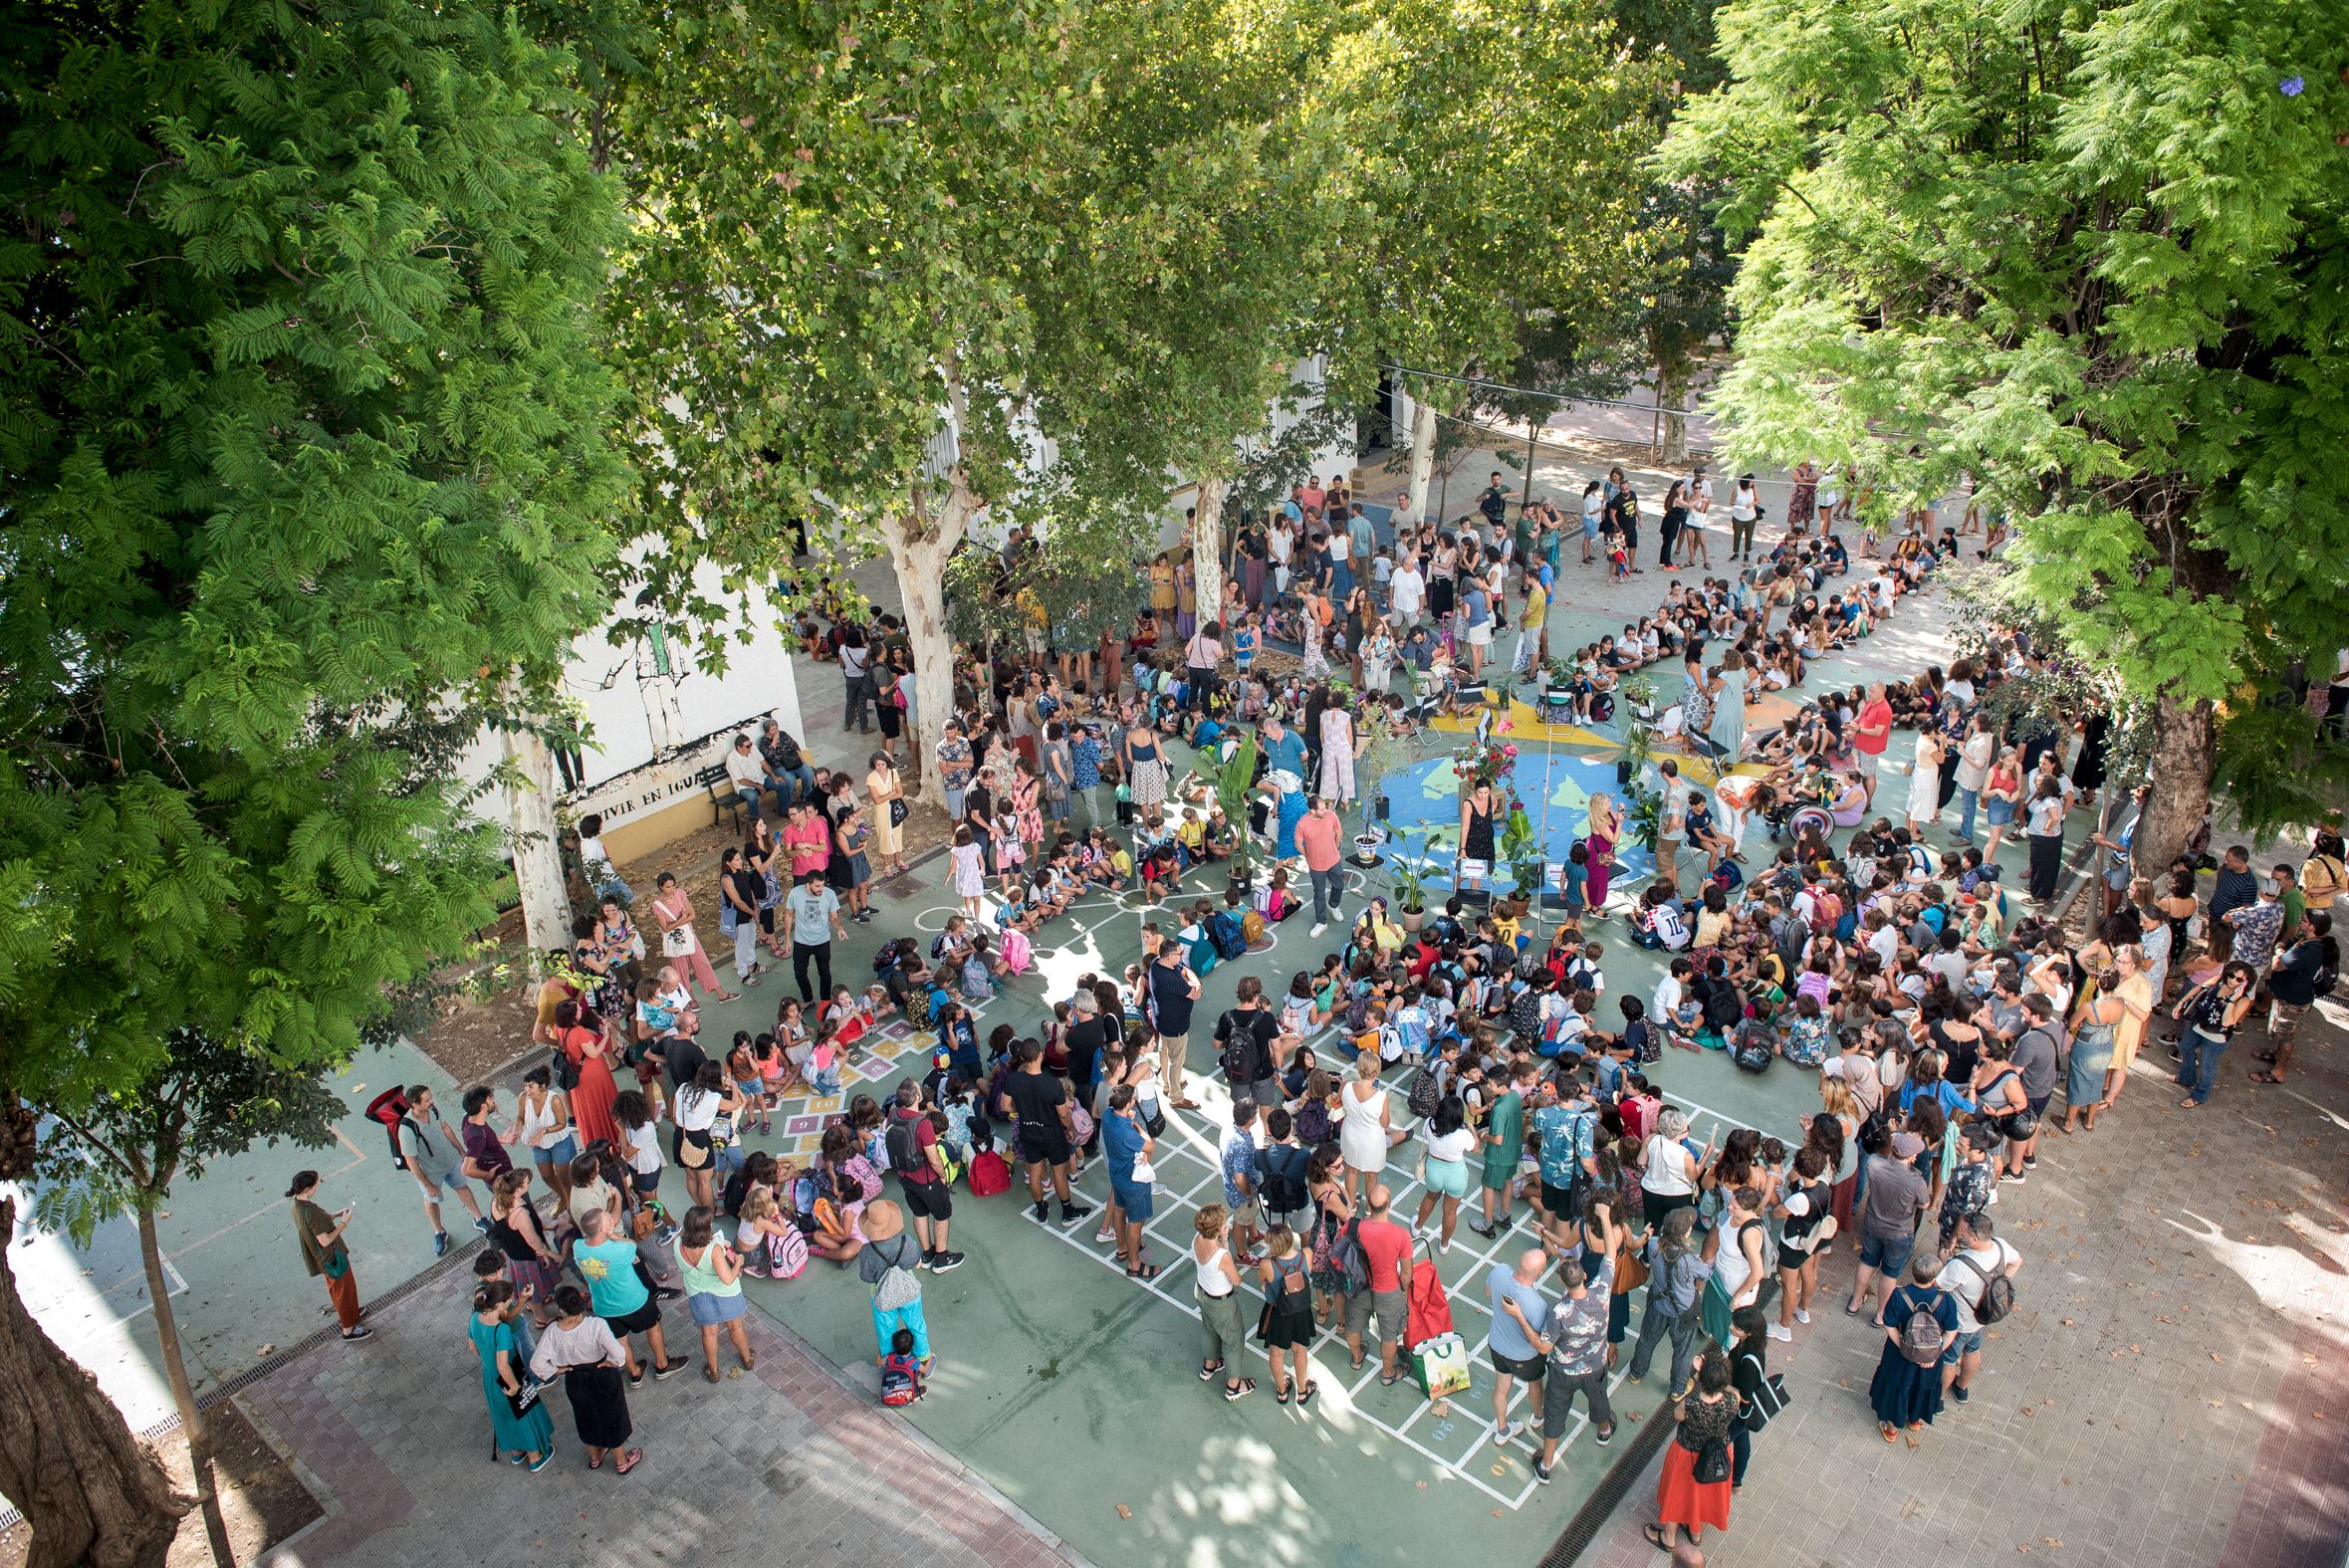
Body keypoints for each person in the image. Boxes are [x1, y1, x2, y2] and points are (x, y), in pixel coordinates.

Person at [529, 1284, 640, 1474]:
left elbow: (536, 1364)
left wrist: (557, 1370)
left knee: (585, 1417)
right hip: (603, 1377)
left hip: (576, 1379)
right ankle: (621, 1461)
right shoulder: (596, 1325)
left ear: (560, 1308)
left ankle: (595, 1457)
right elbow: (619, 1353)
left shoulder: (553, 1332)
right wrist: (612, 1362)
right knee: (613, 1416)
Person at [572, 1208, 685, 1382]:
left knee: (620, 1340)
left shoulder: (578, 1247)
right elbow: (633, 1244)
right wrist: (615, 1236)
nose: (611, 1218)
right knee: (653, 1325)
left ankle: (634, 1372)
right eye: (608, 1218)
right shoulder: (620, 1249)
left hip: (604, 1307)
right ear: (603, 1229)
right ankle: (662, 1365)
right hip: (634, 1301)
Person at [1534, 1251, 1616, 1481]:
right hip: (1595, 1367)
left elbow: (1544, 1347)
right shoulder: (1601, 1291)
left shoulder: (1558, 1311)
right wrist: (1606, 1225)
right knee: (1599, 1399)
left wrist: (1519, 1316)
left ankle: (1546, 1466)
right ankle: (1604, 1431)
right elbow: (1611, 1252)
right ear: (1585, 1276)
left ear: (1561, 1280)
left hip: (1563, 1372)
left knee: (1554, 1413)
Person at [1647, 1349, 1738, 1555]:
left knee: (1677, 1495)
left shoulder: (1691, 1405)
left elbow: (1677, 1415)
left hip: (1687, 1456)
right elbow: (1727, 1391)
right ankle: (1695, 1533)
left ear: (1702, 1379)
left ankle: (1668, 1538)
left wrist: (1699, 1375)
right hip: (1717, 1454)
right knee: (1703, 1495)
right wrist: (1709, 1374)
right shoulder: (1732, 1400)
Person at [1000, 1036, 1093, 1226]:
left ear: (1022, 1058)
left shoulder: (1013, 1080)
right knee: (1058, 1173)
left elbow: (1005, 1106)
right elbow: (1064, 1115)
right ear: (1040, 1055)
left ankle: (1041, 1210)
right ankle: (1067, 1212)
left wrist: (1023, 1108)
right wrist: (1071, 1130)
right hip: (1051, 1135)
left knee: (1034, 1173)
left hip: (1028, 1133)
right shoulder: (1053, 1084)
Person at [1868, 1255, 1959, 1441]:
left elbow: (1889, 1324)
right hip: (1930, 1360)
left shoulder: (1899, 1295)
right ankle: (1915, 1420)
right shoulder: (1946, 1300)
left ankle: (1891, 1429)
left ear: (1913, 1272)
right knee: (1923, 1387)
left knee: (1898, 1387)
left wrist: (1904, 1348)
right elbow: (1951, 1332)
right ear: (1935, 1276)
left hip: (1900, 1357)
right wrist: (1933, 1354)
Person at [1935, 1212, 2020, 1404]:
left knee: (1948, 1359)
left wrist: (1943, 1262)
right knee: (1972, 1350)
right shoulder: (2001, 1246)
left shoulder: (1960, 1264)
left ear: (1974, 1238)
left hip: (1959, 1322)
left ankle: (1937, 1400)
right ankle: (1962, 1388)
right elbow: (2017, 1262)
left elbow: (1937, 1286)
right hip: (1982, 1318)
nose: (1959, 1234)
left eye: (1963, 1232)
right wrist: (1995, 1288)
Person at [1848, 1130, 1930, 1323]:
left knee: (1867, 1262)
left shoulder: (1874, 1163)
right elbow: (1925, 1204)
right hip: (1899, 1233)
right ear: (1911, 1157)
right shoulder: (1916, 1181)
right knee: (1890, 1273)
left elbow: (1879, 1155)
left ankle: (1855, 1302)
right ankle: (1880, 1315)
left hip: (1872, 1224)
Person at [1626, 1209, 1712, 1394]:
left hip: (1658, 1304)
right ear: (1685, 1233)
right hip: (1683, 1312)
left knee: (1646, 1340)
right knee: (1682, 1351)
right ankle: (1677, 1389)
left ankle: (1636, 1372)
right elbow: (1706, 1273)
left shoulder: (1653, 1244)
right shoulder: (1689, 1260)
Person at [471, 1281, 555, 1469]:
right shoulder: (501, 1330)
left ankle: (517, 1452)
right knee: (524, 1412)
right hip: (510, 1375)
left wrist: (523, 1299)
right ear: (500, 1304)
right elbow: (502, 1364)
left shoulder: (475, 1317)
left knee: (503, 1415)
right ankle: (535, 1458)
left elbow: (472, 1347)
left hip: (489, 1377)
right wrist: (515, 1386)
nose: (510, 1304)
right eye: (509, 1301)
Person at [285, 1171, 371, 1341]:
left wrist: (336, 1215)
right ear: (307, 1189)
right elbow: (325, 1240)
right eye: (315, 1186)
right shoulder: (311, 1213)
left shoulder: (297, 1206)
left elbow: (317, 1223)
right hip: (332, 1257)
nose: (317, 1188)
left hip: (322, 1257)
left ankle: (350, 1312)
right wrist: (343, 1223)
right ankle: (348, 1329)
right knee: (343, 1291)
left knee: (343, 1290)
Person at [674, 1206, 756, 1383]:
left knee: (709, 1333)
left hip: (698, 1294)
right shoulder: (713, 1249)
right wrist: (738, 1262)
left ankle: (713, 1371)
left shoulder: (677, 1243)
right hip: (725, 1294)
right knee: (735, 1327)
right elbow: (728, 1279)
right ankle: (747, 1359)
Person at [1342, 1185, 1414, 1382]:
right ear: (1389, 1205)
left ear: (1369, 1205)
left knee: (1353, 1327)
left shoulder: (1353, 1226)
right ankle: (1388, 1373)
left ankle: (1357, 1358)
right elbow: (1406, 1272)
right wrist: (1403, 1290)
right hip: (1389, 1291)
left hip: (1359, 1288)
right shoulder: (1401, 1235)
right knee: (1389, 1337)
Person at [1485, 1246, 1550, 1445]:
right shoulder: (1538, 1305)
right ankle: (1538, 1416)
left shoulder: (1500, 1270)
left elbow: (1488, 1293)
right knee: (1535, 1383)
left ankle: (1502, 1430)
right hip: (1524, 1357)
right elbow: (1537, 1341)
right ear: (1539, 1273)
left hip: (1497, 1345)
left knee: (1501, 1387)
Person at [2258, 911, 2334, 1083]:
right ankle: (2276, 1056)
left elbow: (2277, 964)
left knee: (2286, 1036)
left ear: (2312, 927)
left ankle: (2279, 1072)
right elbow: (2285, 943)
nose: (2300, 921)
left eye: (2304, 920)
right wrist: (2281, 949)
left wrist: (2279, 952)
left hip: (2292, 1001)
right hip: (2289, 995)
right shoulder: (2308, 939)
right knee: (2281, 1032)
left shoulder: (2310, 951)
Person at [858, 1199, 933, 1372]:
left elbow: (867, 1277)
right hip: (908, 1290)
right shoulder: (906, 1241)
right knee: (916, 1324)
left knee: (885, 1329)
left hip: (881, 1294)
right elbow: (918, 1265)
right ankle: (922, 1358)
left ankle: (889, 1361)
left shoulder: (867, 1251)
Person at [1192, 1205, 1258, 1401]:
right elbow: (1236, 1280)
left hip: (1201, 1292)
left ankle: (1209, 1366)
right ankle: (1233, 1386)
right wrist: (1226, 1244)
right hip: (1221, 1303)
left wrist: (1222, 1239)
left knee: (1209, 1329)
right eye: (1223, 1223)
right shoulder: (1222, 1255)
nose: (1226, 1223)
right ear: (1217, 1229)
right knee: (1233, 1341)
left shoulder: (1197, 1239)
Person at [2173, 960, 2257, 1109]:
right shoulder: (2218, 980)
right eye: (2231, 975)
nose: (2233, 981)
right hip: (2199, 1025)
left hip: (2216, 1037)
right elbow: (2200, 987)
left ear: (2246, 983)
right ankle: (2186, 1078)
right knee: (2185, 1047)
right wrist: (2182, 1002)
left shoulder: (2243, 1000)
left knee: (2207, 1066)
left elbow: (2228, 1022)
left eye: (2239, 979)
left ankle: (2199, 1095)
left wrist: (2232, 1000)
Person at [1102, 1085, 1159, 1278]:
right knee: (1136, 1222)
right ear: (1127, 1104)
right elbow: (1150, 1146)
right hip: (1133, 1181)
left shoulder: (1108, 1115)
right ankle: (1134, 1265)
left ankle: (1122, 1248)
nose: (1134, 1100)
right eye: (1133, 1099)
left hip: (1117, 1174)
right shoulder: (1127, 1132)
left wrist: (1128, 1119)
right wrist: (1138, 1126)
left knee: (1119, 1210)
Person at [1258, 1224, 1318, 1406]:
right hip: (1301, 1311)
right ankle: (1302, 1391)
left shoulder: (1267, 1264)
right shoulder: (1307, 1253)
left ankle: (1282, 1391)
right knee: (1300, 1350)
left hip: (1279, 1313)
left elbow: (1262, 1281)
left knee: (1276, 1354)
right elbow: (1309, 1272)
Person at [1297, 796, 1346, 936]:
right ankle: (1321, 922)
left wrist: (1335, 847)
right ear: (1313, 811)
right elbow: (1298, 843)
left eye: (1325, 807)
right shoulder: (1303, 823)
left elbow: (1339, 832)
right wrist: (1307, 856)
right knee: (1319, 894)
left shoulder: (1331, 815)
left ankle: (1333, 905)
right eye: (1322, 809)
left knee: (1339, 885)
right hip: (1316, 865)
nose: (1326, 811)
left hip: (1333, 860)